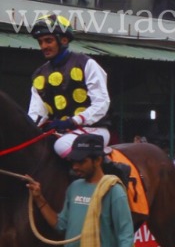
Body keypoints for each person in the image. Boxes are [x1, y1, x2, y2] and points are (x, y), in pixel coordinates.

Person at [27, 15, 112, 162]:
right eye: (40, 42)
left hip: (95, 129)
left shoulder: (86, 64)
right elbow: (36, 114)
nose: (43, 46)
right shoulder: (39, 76)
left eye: (48, 40)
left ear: (64, 40)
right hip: (62, 133)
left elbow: (101, 103)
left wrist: (73, 121)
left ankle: (105, 168)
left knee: (61, 146)